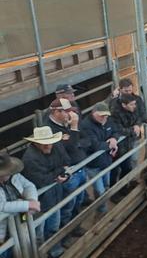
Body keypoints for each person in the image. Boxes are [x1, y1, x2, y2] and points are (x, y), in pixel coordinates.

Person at [22, 126, 70, 258]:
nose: (48, 146)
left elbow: (65, 163)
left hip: (52, 195)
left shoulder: (53, 149)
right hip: (39, 201)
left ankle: (54, 250)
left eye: (50, 142)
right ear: (36, 143)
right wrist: (58, 173)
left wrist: (60, 174)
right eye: (45, 143)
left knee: (53, 225)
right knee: (38, 232)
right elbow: (41, 181)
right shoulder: (30, 159)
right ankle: (40, 254)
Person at [43, 99, 87, 237]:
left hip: (78, 167)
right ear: (56, 112)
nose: (71, 114)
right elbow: (70, 147)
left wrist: (73, 134)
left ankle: (75, 226)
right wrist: (74, 127)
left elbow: (85, 140)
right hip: (68, 172)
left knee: (78, 200)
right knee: (68, 204)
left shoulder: (63, 123)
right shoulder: (49, 129)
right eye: (66, 112)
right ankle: (67, 233)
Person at [79, 102, 118, 215]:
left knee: (106, 186)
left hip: (106, 160)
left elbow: (115, 130)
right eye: (101, 115)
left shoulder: (107, 120)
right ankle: (102, 211)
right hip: (93, 164)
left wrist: (114, 138)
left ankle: (103, 207)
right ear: (93, 113)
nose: (104, 118)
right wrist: (109, 145)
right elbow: (94, 145)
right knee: (99, 190)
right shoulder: (86, 126)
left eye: (106, 116)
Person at [0, 152, 40, 258]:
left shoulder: (14, 175)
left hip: (20, 223)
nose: (6, 174)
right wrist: (27, 205)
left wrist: (32, 199)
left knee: (25, 247)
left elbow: (29, 185)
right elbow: (1, 206)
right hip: (3, 231)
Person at [109, 94, 141, 200]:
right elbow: (118, 129)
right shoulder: (115, 113)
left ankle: (123, 188)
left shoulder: (132, 109)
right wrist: (133, 130)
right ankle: (113, 193)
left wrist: (137, 125)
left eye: (134, 104)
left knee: (127, 168)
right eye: (131, 104)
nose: (134, 106)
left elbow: (138, 118)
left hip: (127, 145)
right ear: (124, 105)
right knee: (114, 171)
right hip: (117, 147)